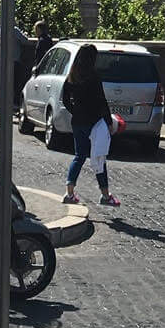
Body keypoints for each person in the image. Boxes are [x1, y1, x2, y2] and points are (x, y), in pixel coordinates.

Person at [60, 42, 119, 208]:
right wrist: (108, 122)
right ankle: (105, 195)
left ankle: (69, 192)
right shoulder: (94, 77)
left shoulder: (72, 75)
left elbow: (65, 99)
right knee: (99, 156)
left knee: (79, 156)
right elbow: (101, 101)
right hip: (94, 122)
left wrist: (75, 111)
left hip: (78, 121)